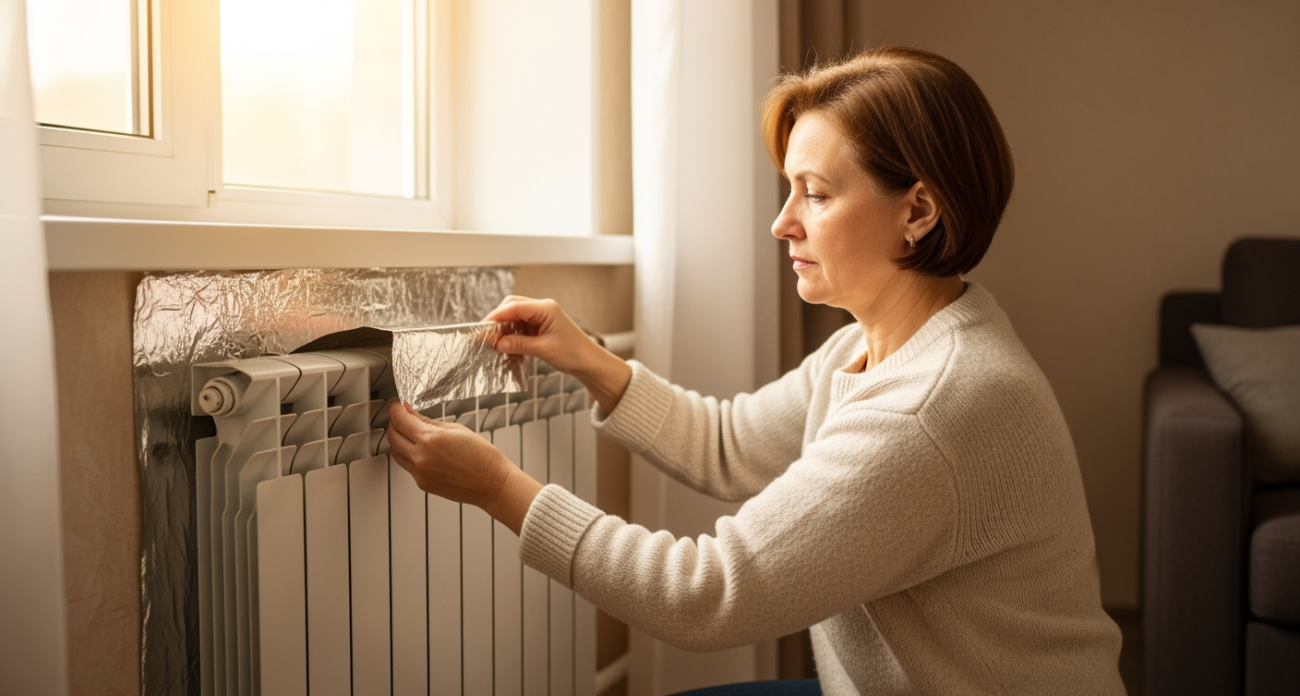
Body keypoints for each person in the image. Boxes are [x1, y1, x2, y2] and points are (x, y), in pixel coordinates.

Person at [386, 46, 1125, 695]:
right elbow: (732, 444)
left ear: (919, 211)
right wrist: (591, 361)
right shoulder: (876, 345)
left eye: (817, 193)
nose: (783, 223)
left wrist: (499, 489)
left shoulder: (930, 406)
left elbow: (707, 595)